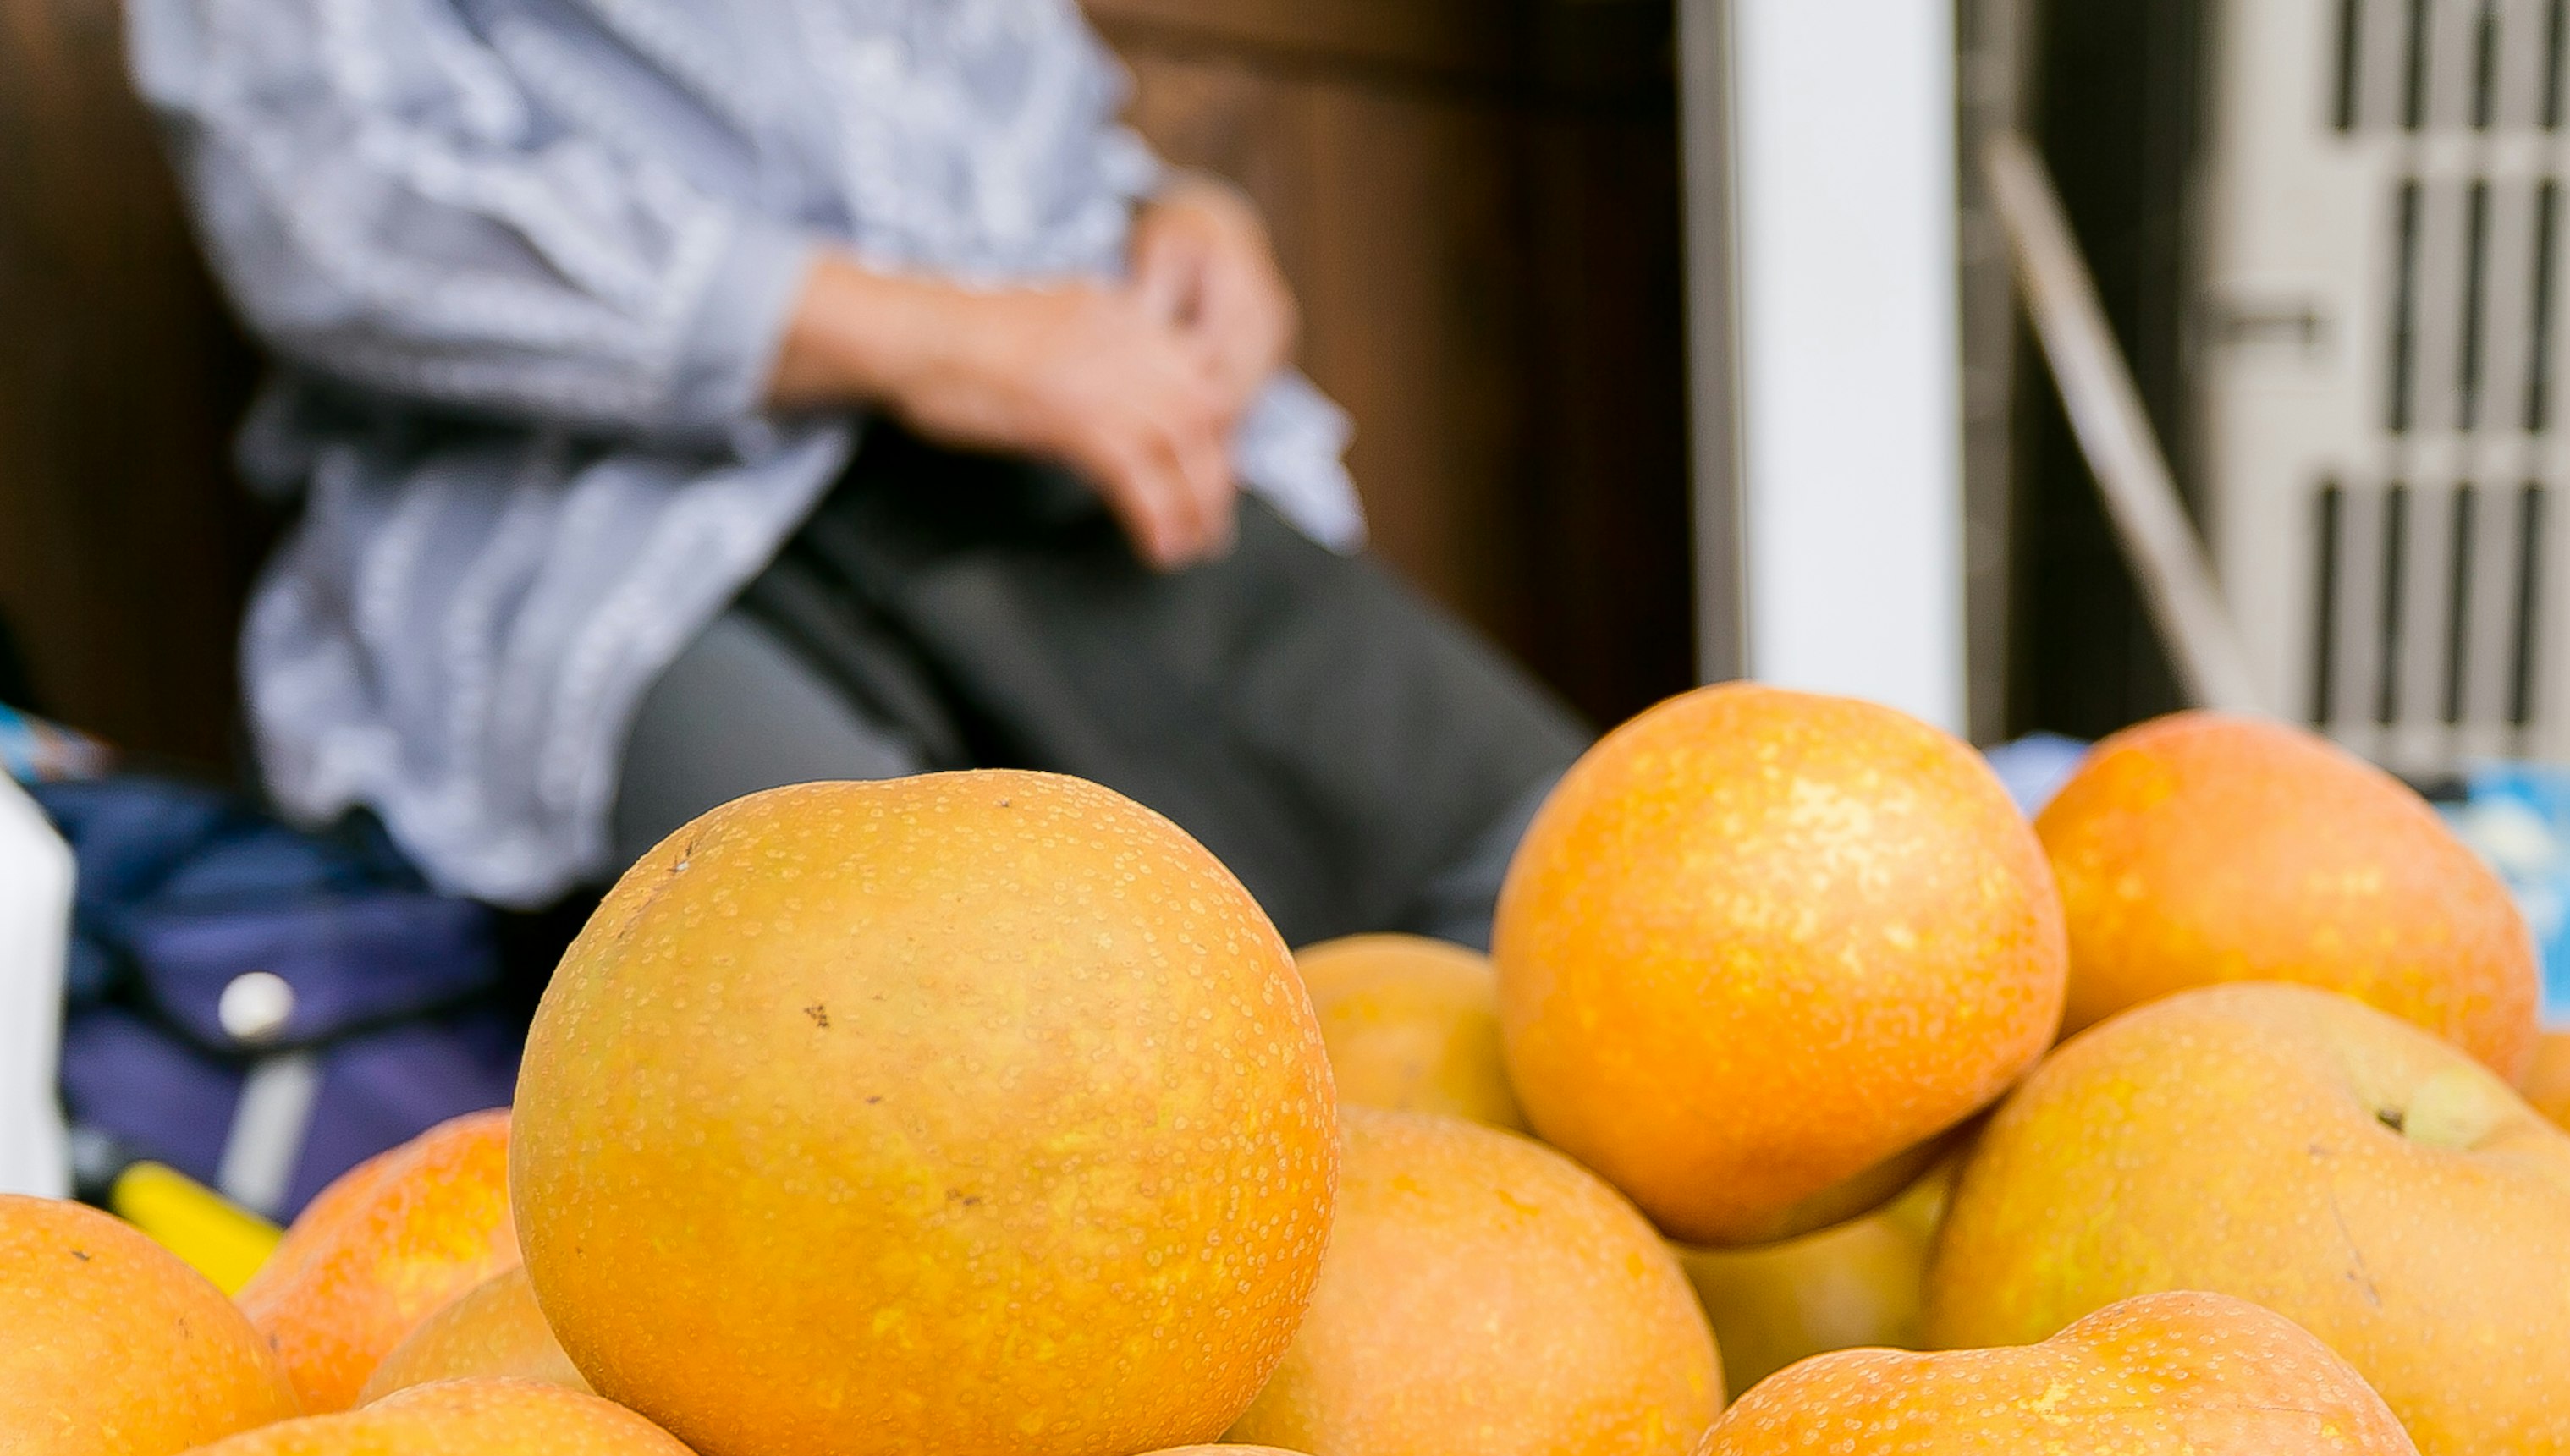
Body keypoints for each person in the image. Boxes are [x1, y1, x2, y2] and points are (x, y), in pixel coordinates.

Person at [125, 0, 1588, 949]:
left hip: (1057, 463)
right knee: (926, 1004)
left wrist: (1171, 214)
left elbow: (998, 115)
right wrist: (920, 335)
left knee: (1568, 900)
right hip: (617, 525)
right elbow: (340, 214)